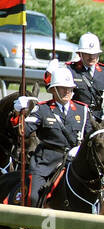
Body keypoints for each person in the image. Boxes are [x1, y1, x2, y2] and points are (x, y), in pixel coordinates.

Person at [12, 67, 88, 206]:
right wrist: (18, 115)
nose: (67, 92)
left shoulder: (83, 110)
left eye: (70, 88)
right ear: (53, 90)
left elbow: (91, 136)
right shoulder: (42, 109)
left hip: (74, 161)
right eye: (62, 88)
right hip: (47, 162)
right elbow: (23, 132)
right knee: (33, 196)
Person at [68, 33, 104, 122]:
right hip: (76, 117)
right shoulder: (70, 70)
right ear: (80, 54)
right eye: (87, 54)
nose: (91, 57)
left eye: (94, 53)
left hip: (99, 118)